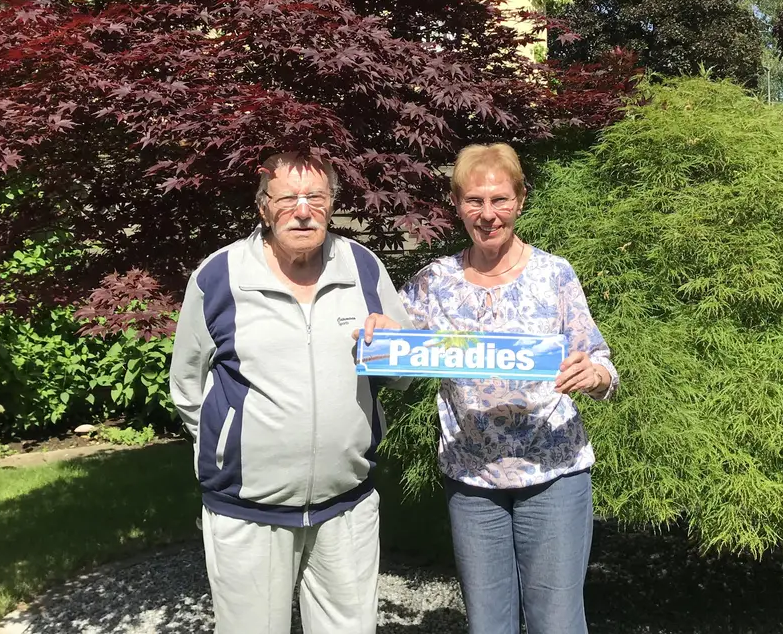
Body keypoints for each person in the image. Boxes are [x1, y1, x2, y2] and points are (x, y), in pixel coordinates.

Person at [384, 142, 619, 634]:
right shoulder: (433, 283)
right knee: (489, 625)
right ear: (457, 205)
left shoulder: (554, 275)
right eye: (475, 201)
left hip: (554, 472)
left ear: (520, 200)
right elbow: (394, 356)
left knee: (556, 622)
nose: (488, 214)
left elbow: (602, 366)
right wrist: (377, 331)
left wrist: (594, 375)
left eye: (500, 200)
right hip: (472, 484)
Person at [169, 152, 407, 634]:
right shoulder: (219, 278)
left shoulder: (362, 268)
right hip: (247, 510)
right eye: (288, 198)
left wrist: (392, 348)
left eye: (316, 197)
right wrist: (229, 448)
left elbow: (401, 376)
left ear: (332, 204)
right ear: (263, 207)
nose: (303, 210)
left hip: (348, 503)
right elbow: (187, 385)